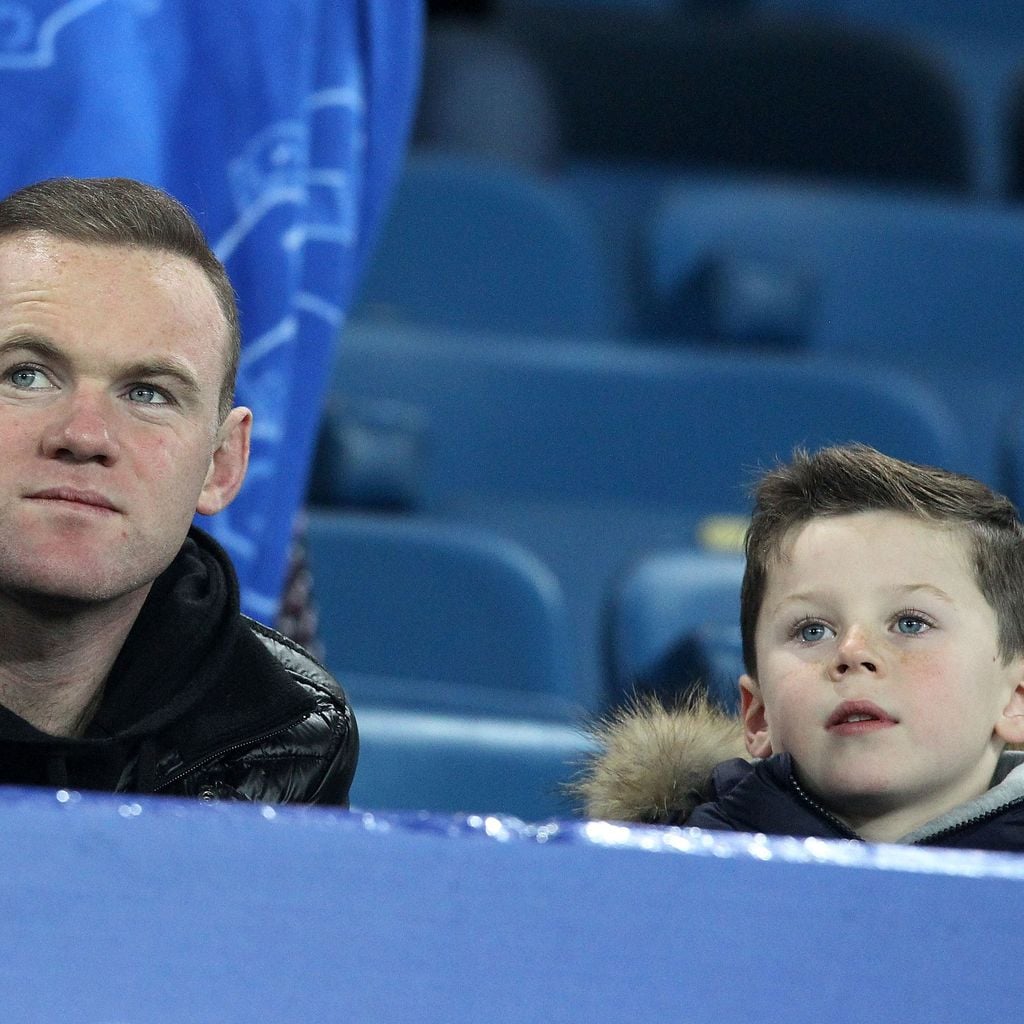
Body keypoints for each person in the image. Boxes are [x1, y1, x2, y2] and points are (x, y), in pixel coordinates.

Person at [0, 176, 357, 802]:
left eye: (147, 393)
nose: (84, 435)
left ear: (222, 464)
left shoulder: (282, 733)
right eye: (25, 375)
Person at [574, 443, 1024, 851]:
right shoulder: (666, 867)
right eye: (812, 631)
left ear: (1016, 699)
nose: (852, 651)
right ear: (758, 715)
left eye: (910, 623)